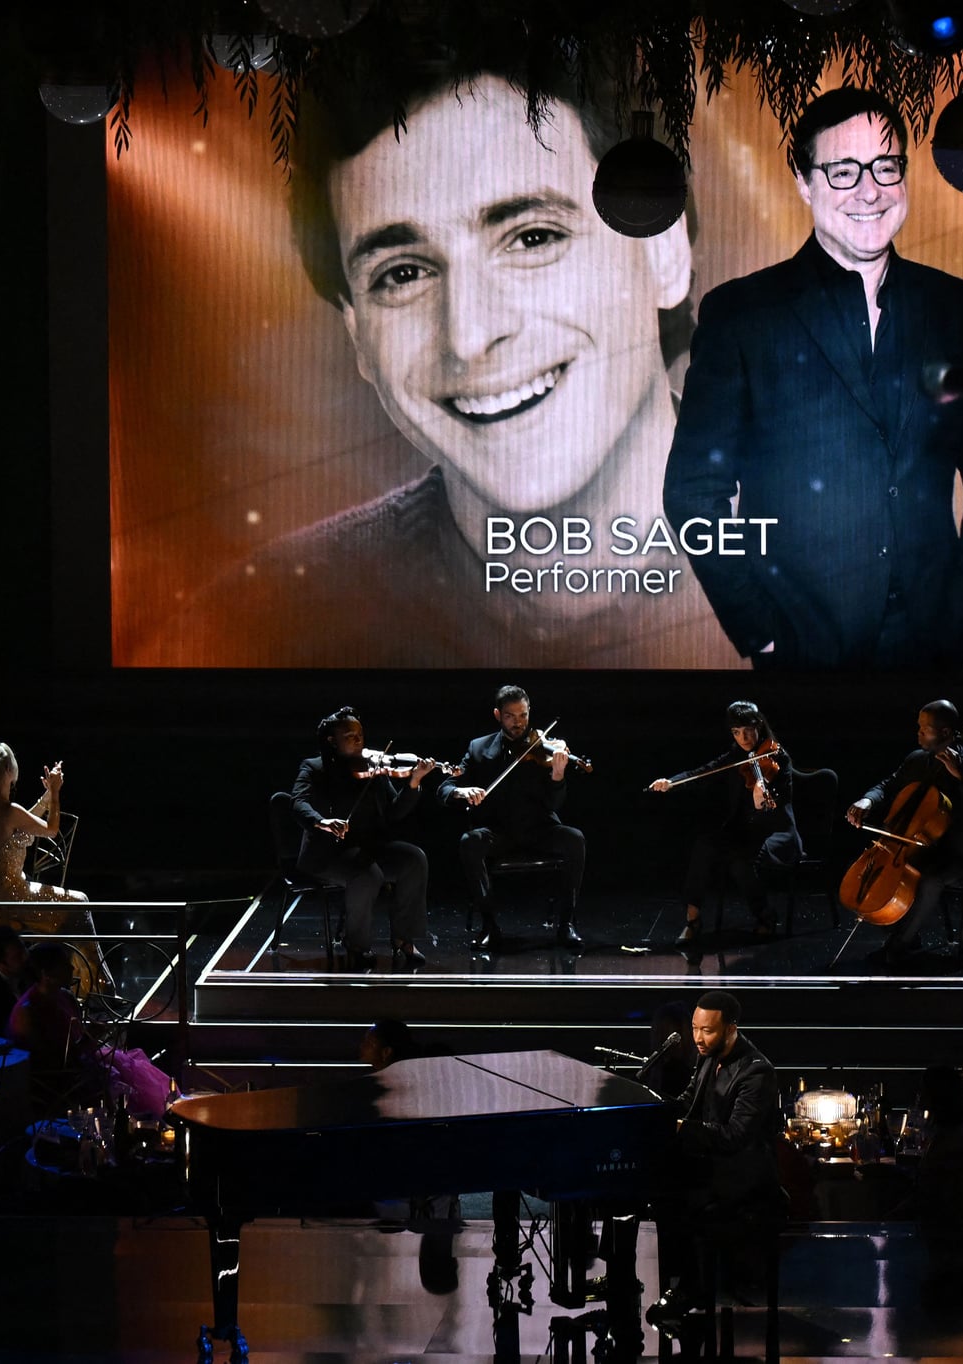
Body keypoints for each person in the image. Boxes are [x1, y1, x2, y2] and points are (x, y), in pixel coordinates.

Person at [162, 46, 728, 670]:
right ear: (358, 337)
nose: (468, 335)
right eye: (402, 274)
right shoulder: (259, 624)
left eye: (532, 237)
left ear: (662, 252)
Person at [665, 85, 963, 669]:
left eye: (886, 167)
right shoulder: (743, 315)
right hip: (802, 655)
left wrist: (961, 600)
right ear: (804, 183)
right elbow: (692, 495)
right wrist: (760, 632)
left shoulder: (955, 306)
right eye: (843, 171)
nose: (870, 190)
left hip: (934, 653)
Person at [646, 991, 783, 1328]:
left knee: (672, 1200)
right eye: (695, 1028)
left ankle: (690, 1287)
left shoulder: (756, 1072)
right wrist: (653, 1110)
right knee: (646, 1183)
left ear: (731, 1028)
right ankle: (671, 1283)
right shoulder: (708, 1056)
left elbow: (736, 1135)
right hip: (714, 1165)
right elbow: (688, 1101)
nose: (698, 1038)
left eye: (707, 1030)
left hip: (744, 1178)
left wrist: (682, 1128)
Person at [844, 698, 963, 962]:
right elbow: (888, 785)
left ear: (945, 733)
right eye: (919, 727)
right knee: (897, 874)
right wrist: (867, 799)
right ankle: (905, 940)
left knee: (930, 878)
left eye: (925, 729)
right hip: (922, 851)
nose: (918, 733)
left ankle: (899, 946)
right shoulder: (916, 761)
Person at [439, 685, 587, 952]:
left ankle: (566, 925)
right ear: (498, 715)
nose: (518, 723)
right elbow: (446, 786)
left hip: (538, 828)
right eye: (510, 716)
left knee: (574, 839)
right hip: (499, 832)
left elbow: (554, 804)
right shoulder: (478, 748)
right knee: (469, 842)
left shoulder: (544, 748)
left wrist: (557, 776)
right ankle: (489, 926)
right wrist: (461, 791)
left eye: (523, 715)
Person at [290, 706, 435, 971]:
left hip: (369, 848)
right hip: (328, 853)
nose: (359, 740)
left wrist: (413, 782)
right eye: (350, 735)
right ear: (332, 741)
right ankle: (357, 945)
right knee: (368, 874)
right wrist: (321, 821)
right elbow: (299, 803)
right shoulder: (314, 768)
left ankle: (403, 938)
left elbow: (394, 812)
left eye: (360, 734)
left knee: (414, 859)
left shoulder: (374, 767)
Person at [648, 701, 800, 945]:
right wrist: (671, 782)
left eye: (748, 730)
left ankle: (765, 916)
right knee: (704, 845)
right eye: (737, 732)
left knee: (741, 860)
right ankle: (693, 920)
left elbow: (782, 800)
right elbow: (700, 774)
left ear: (758, 724)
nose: (744, 738)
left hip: (776, 832)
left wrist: (764, 797)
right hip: (746, 832)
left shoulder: (778, 757)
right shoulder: (735, 756)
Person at [0, 741, 85, 903]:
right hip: (8, 896)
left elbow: (20, 822)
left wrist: (48, 796)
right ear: (8, 769)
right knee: (80, 900)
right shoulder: (11, 810)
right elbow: (51, 830)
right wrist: (55, 792)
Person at [9, 942, 86, 1073]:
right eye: (64, 965)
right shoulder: (28, 1010)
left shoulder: (67, 997)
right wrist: (85, 1043)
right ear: (46, 974)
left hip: (74, 1067)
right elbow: (47, 1059)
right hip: (51, 1079)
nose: (72, 968)